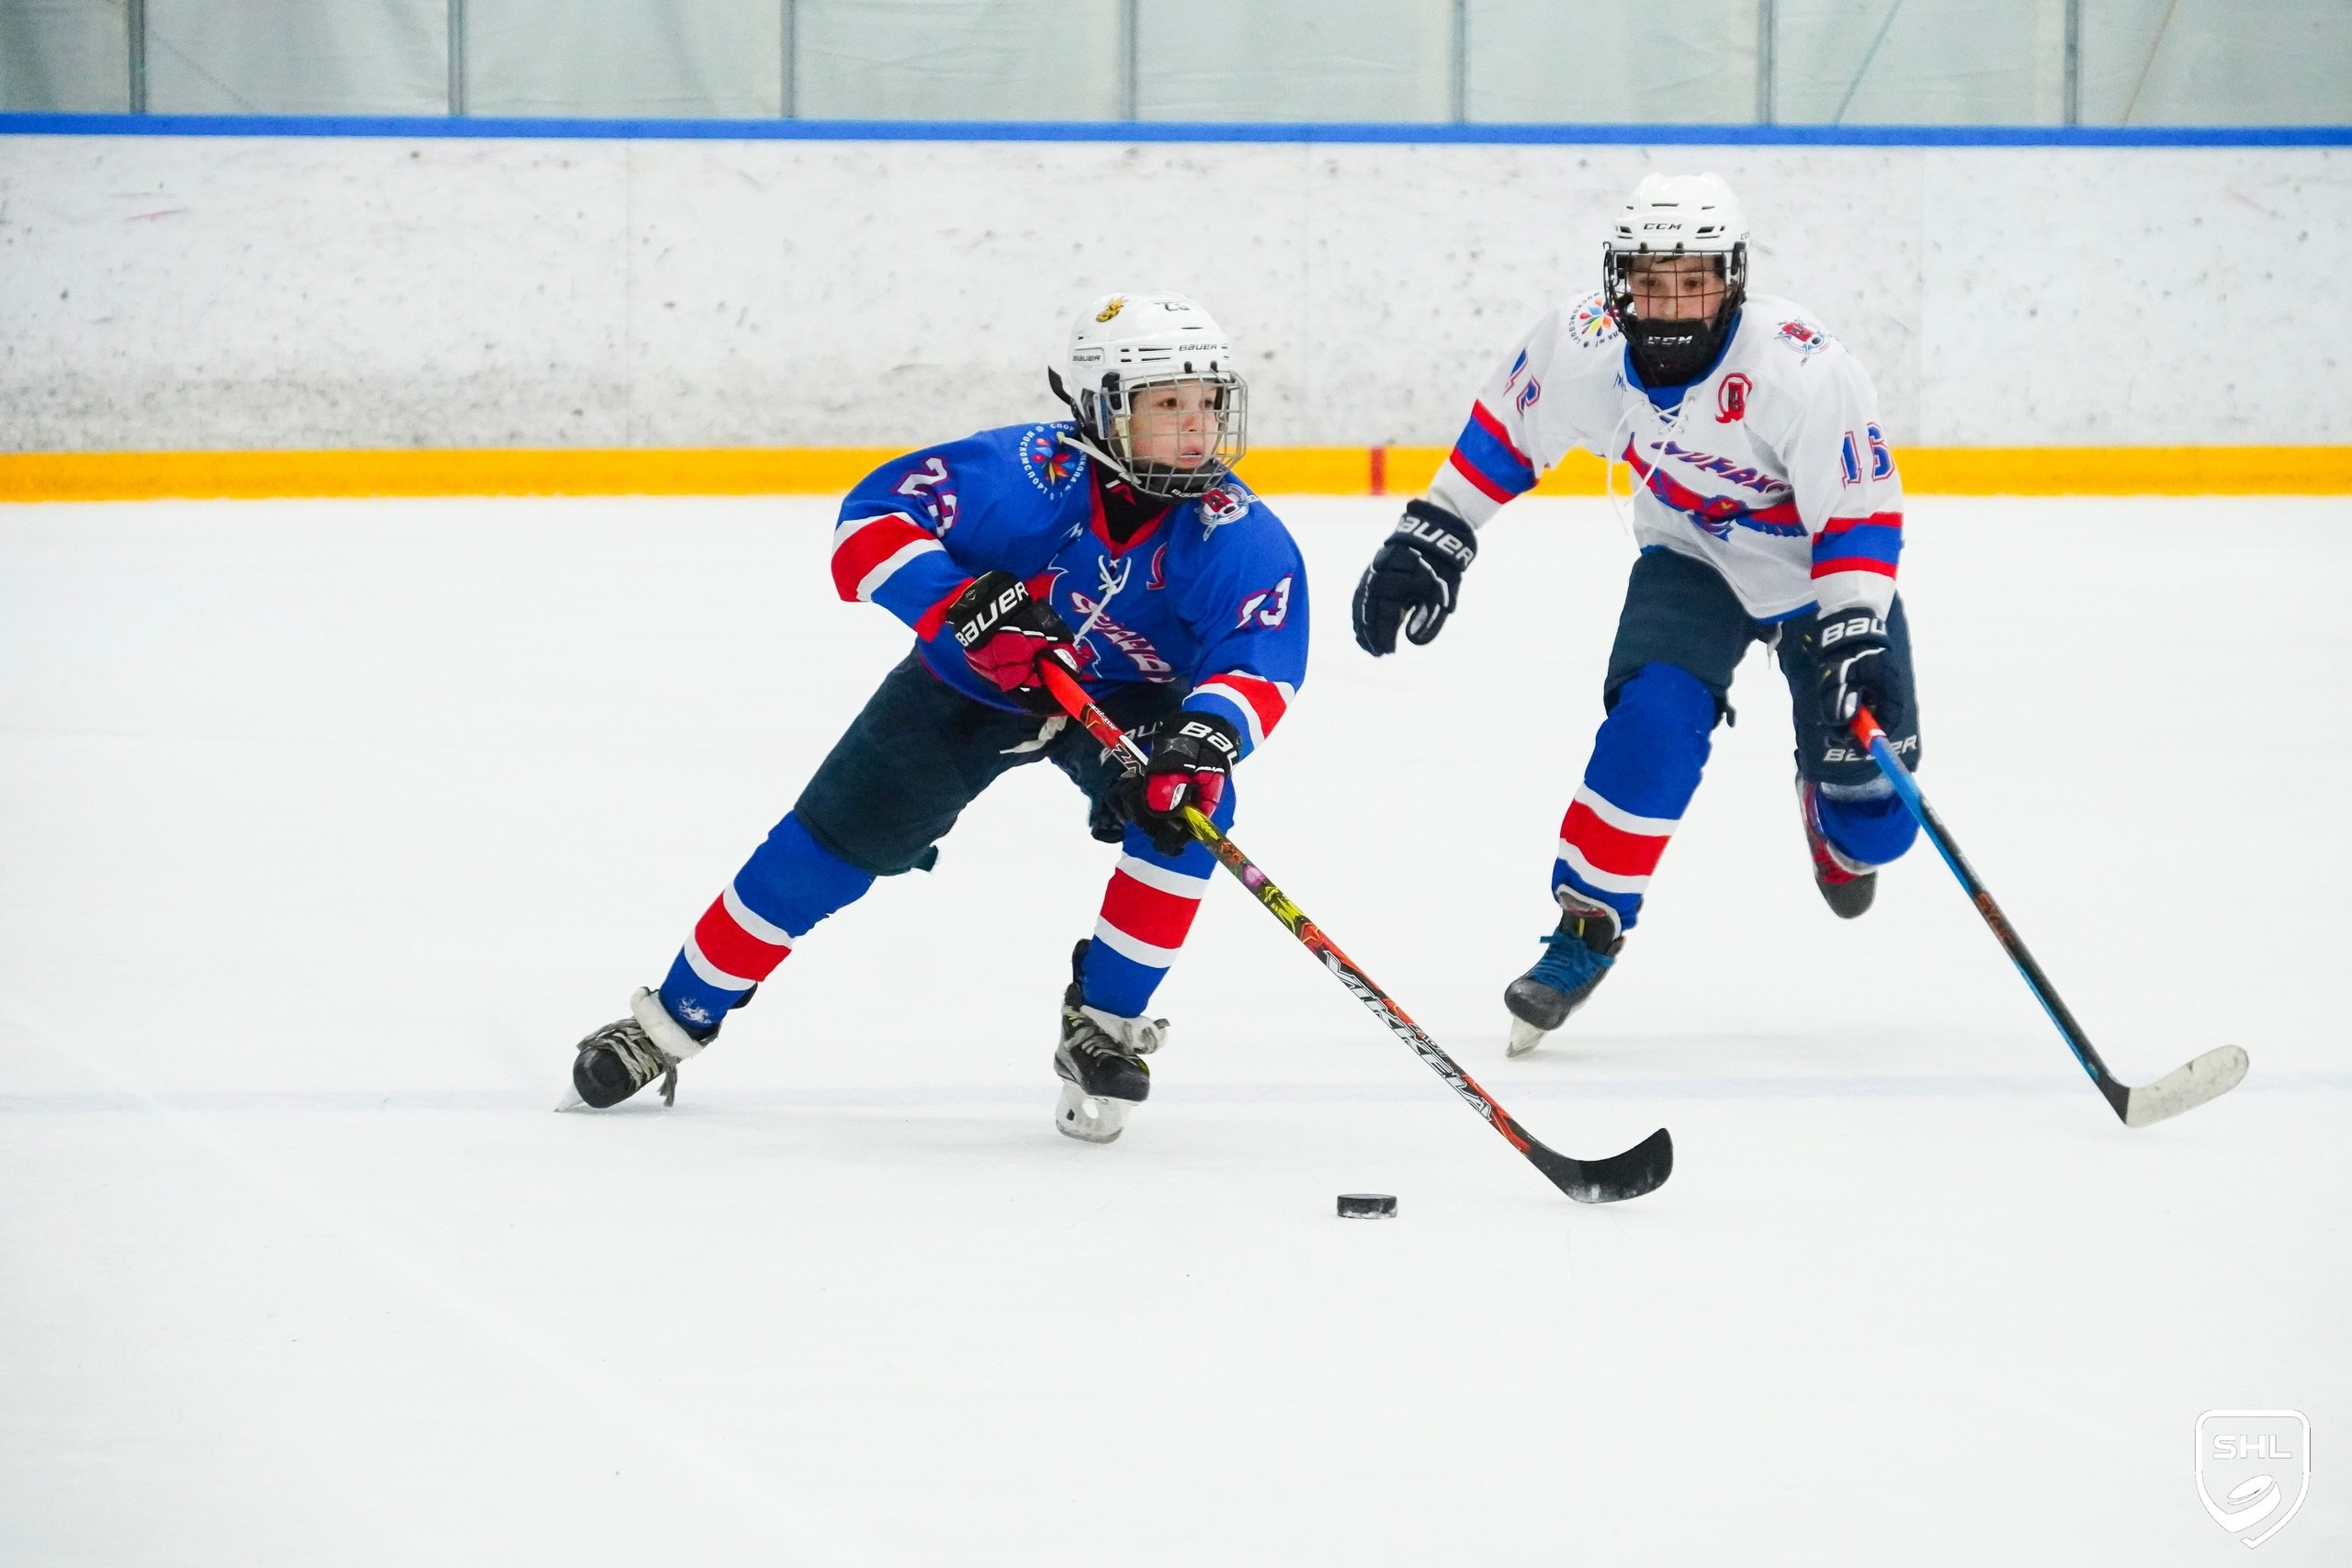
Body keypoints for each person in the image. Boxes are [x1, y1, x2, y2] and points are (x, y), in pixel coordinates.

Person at [566, 290, 1308, 1142]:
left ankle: (1103, 1024)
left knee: (1191, 808)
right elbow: (869, 521)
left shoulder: (1235, 532)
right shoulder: (1022, 473)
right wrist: (960, 604)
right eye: (1167, 404)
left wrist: (1203, 739)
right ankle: (671, 1020)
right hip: (972, 683)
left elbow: (1260, 659)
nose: (1197, 427)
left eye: (1209, 402)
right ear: (1103, 407)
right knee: (826, 850)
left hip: (1127, 699)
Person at [1350, 173, 1920, 1056]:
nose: (1671, 304)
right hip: (1690, 555)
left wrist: (1855, 626)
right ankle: (1585, 927)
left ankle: (1830, 808)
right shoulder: (1581, 342)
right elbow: (1505, 430)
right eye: (1650, 280)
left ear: (1731, 278)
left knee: (1876, 820)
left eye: (1693, 280)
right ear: (1619, 281)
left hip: (1818, 579)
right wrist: (1436, 530)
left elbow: (1858, 512)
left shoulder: (1803, 369)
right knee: (1652, 719)